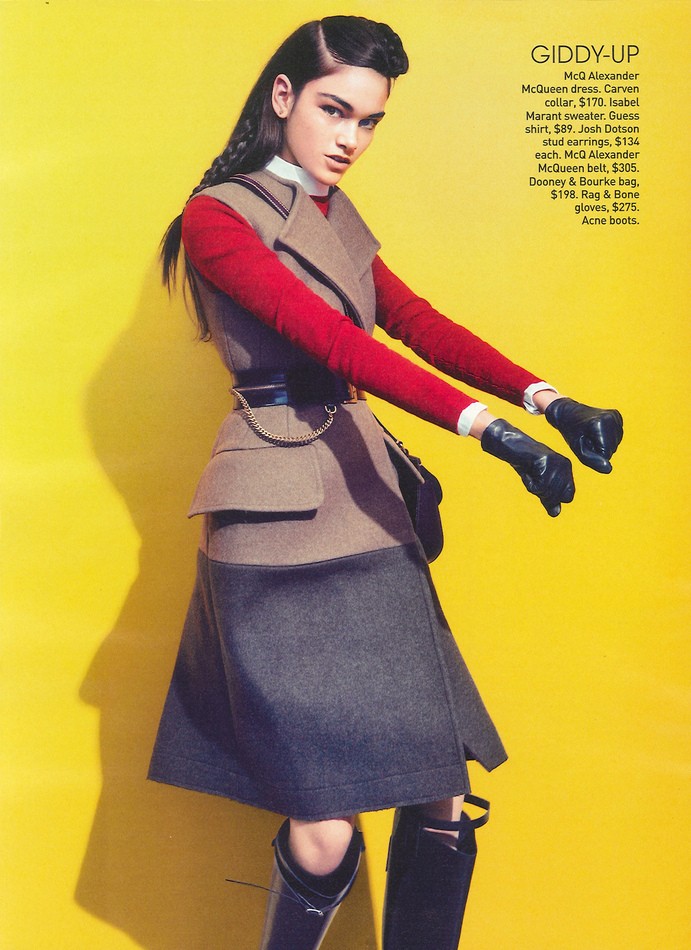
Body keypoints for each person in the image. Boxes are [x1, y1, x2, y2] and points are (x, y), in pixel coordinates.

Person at [148, 15, 623, 950]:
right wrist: (489, 433)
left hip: (363, 502)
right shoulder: (217, 217)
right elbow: (337, 343)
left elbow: (413, 321)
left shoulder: (332, 211)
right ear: (283, 95)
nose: (349, 140)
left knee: (440, 792)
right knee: (324, 830)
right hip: (276, 519)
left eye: (368, 122)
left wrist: (547, 400)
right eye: (334, 111)